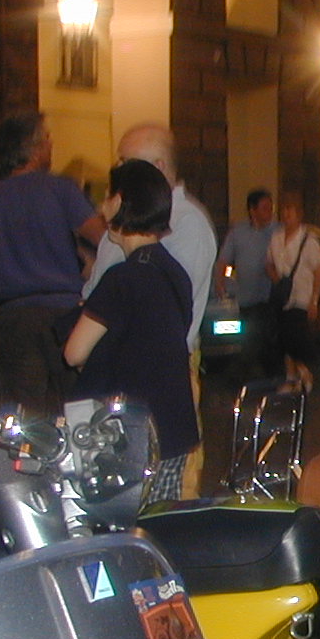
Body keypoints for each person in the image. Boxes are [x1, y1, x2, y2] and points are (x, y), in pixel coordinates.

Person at [85, 123, 217, 494]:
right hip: (117, 375)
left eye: (127, 162)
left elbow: (160, 312)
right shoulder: (126, 220)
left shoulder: (185, 223)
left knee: (162, 493)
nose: (118, 170)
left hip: (154, 378)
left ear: (158, 167)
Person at [64, 159, 198, 509]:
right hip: (173, 428)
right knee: (157, 525)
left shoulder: (122, 278)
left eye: (107, 196)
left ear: (121, 201)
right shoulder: (175, 272)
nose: (101, 206)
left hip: (130, 435)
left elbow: (74, 352)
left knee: (119, 528)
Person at [0, 111, 106, 417]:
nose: (51, 145)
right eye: (47, 139)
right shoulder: (62, 189)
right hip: (66, 315)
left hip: (14, 318)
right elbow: (103, 238)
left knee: (25, 416)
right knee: (79, 410)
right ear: (33, 147)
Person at [214, 188, 282, 377]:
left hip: (269, 297)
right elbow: (224, 260)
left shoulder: (277, 231)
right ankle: (251, 374)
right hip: (246, 297)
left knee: (263, 337)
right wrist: (219, 282)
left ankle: (263, 374)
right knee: (250, 336)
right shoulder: (238, 232)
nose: (269, 212)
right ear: (252, 210)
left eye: (270, 208)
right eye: (264, 208)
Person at [266, 192, 320, 392]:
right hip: (284, 297)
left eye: (290, 210)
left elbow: (318, 270)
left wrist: (314, 300)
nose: (286, 215)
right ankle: (292, 377)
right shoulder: (276, 238)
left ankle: (303, 373)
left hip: (301, 296)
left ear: (299, 214)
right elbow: (269, 263)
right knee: (284, 338)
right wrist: (278, 280)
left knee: (295, 336)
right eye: (284, 210)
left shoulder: (308, 240)